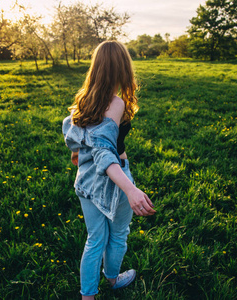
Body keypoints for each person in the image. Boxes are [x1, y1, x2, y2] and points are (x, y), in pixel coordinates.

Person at [62, 40, 156, 299]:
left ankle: (88, 296)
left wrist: (77, 156)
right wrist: (130, 189)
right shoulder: (115, 104)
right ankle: (113, 280)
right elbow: (105, 151)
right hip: (116, 176)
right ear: (123, 69)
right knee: (117, 234)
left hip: (87, 179)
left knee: (94, 239)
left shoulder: (83, 101)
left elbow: (75, 139)